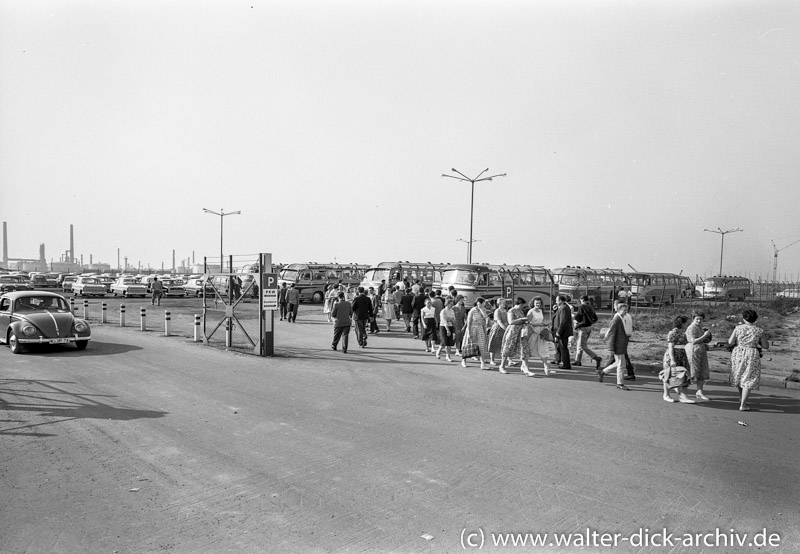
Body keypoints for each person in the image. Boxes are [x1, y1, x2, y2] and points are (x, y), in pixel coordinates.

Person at [728, 309, 770, 411]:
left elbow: (730, 341)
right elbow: (766, 346)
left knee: (739, 375)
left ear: (744, 318)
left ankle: (741, 397)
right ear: (755, 319)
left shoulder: (738, 328)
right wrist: (756, 341)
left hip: (738, 353)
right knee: (749, 377)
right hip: (751, 353)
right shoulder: (759, 331)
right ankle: (743, 404)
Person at [660, 315, 694, 403]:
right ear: (682, 323)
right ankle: (666, 394)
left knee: (683, 374)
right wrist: (672, 359)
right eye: (686, 323)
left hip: (682, 354)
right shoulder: (673, 333)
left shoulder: (683, 333)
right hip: (673, 354)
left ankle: (683, 396)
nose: (687, 324)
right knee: (668, 374)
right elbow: (670, 346)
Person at [599, 302, 631, 390]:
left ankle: (603, 372)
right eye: (624, 310)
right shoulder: (616, 320)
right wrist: (611, 348)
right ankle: (620, 384)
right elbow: (611, 334)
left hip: (620, 345)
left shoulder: (621, 318)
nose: (626, 312)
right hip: (618, 346)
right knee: (621, 365)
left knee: (618, 363)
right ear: (619, 310)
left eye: (626, 310)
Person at [500, 297, 535, 376]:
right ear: (519, 303)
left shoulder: (520, 311)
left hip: (521, 332)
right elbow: (511, 322)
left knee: (524, 348)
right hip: (513, 331)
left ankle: (525, 368)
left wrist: (525, 321)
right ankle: (502, 366)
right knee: (508, 348)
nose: (522, 306)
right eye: (522, 305)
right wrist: (521, 319)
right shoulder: (511, 310)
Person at [685, 310, 712, 402]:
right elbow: (693, 341)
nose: (699, 321)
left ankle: (699, 392)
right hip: (693, 351)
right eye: (697, 319)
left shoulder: (699, 327)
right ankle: (682, 391)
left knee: (701, 371)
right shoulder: (692, 328)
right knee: (693, 372)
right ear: (693, 319)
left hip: (700, 350)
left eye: (701, 319)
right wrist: (704, 336)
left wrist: (706, 338)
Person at [573, 295, 602, 371]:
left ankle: (596, 357)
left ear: (582, 300)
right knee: (580, 344)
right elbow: (595, 318)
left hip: (583, 327)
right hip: (589, 327)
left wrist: (575, 320)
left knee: (582, 346)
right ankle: (577, 360)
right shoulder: (591, 307)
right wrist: (591, 322)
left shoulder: (582, 307)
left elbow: (578, 317)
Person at [527, 296, 553, 375]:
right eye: (536, 303)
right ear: (533, 303)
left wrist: (545, 324)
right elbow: (527, 322)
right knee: (530, 349)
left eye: (539, 303)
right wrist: (537, 324)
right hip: (533, 332)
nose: (538, 304)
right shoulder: (531, 311)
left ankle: (546, 367)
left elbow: (541, 321)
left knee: (543, 349)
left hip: (541, 332)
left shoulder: (541, 311)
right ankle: (524, 366)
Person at [461, 297, 489, 370]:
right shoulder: (472, 310)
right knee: (468, 344)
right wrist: (469, 332)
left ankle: (483, 364)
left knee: (481, 346)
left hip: (479, 329)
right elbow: (469, 321)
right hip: (472, 328)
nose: (484, 304)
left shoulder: (483, 310)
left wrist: (481, 309)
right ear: (479, 303)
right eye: (483, 303)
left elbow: (486, 318)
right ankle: (464, 361)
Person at [551, 294, 574, 369]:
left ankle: (566, 364)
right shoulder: (561, 307)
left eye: (557, 300)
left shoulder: (564, 308)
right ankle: (559, 360)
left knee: (563, 348)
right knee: (560, 347)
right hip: (561, 331)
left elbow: (563, 321)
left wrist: (558, 332)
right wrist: (555, 310)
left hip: (563, 332)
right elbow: (558, 317)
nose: (556, 302)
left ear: (560, 300)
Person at [486, 298, 509, 367]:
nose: (505, 304)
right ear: (499, 303)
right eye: (503, 302)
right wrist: (505, 328)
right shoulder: (497, 311)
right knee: (494, 344)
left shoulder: (505, 311)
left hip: (504, 328)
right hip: (497, 329)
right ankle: (492, 360)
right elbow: (499, 321)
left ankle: (504, 361)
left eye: (505, 302)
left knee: (503, 345)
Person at [436, 298, 456, 362]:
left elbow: (453, 319)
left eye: (452, 304)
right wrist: (447, 329)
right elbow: (444, 321)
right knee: (444, 341)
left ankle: (448, 356)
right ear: (447, 304)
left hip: (451, 326)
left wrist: (450, 320)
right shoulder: (443, 311)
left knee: (449, 343)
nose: (452, 305)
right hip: (443, 327)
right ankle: (438, 351)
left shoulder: (452, 311)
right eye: (451, 304)